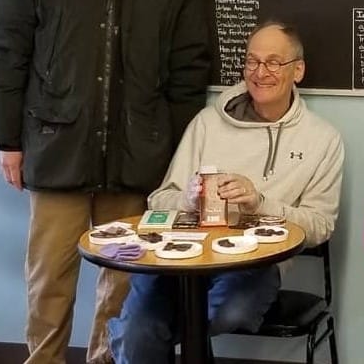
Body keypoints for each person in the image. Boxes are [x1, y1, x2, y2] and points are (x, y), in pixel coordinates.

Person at [0, 0, 213, 364]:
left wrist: (174, 152)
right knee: (49, 279)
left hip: (137, 157)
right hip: (56, 148)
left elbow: (188, 69)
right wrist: (8, 139)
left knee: (123, 283)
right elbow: (4, 51)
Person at [108, 20, 344, 364]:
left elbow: (320, 225)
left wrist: (260, 204)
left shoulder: (323, 139)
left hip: (255, 264)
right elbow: (159, 200)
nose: (260, 72)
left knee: (229, 314)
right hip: (182, 257)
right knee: (137, 330)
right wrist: (187, 199)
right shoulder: (207, 123)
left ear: (298, 70)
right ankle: (133, 333)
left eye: (273, 62)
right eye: (251, 61)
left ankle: (135, 334)